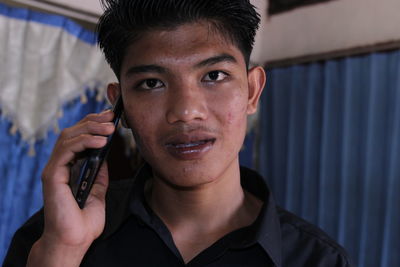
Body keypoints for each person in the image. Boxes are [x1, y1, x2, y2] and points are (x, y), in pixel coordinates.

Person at [4, 0, 352, 266]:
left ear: (251, 91)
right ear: (119, 106)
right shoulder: (51, 237)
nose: (185, 111)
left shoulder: (317, 259)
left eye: (214, 75)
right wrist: (63, 251)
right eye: (151, 83)